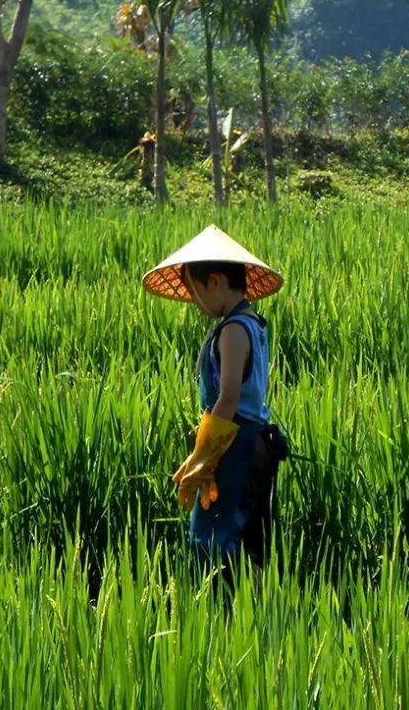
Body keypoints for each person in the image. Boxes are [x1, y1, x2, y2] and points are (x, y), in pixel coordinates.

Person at [143, 225, 288, 572]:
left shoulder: (233, 330)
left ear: (216, 282)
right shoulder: (253, 323)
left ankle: (225, 602)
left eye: (195, 293)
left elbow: (229, 397)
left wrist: (204, 453)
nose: (195, 304)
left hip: (235, 444)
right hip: (251, 441)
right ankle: (255, 599)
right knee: (247, 538)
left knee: (215, 539)